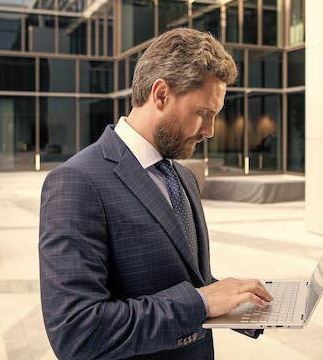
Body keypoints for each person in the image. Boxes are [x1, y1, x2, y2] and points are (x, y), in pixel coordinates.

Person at [39, 28, 273, 360]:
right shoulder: (77, 182)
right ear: (161, 94)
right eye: (203, 113)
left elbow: (187, 281)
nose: (209, 130)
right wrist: (204, 301)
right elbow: (77, 331)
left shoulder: (183, 176)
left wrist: (243, 300)